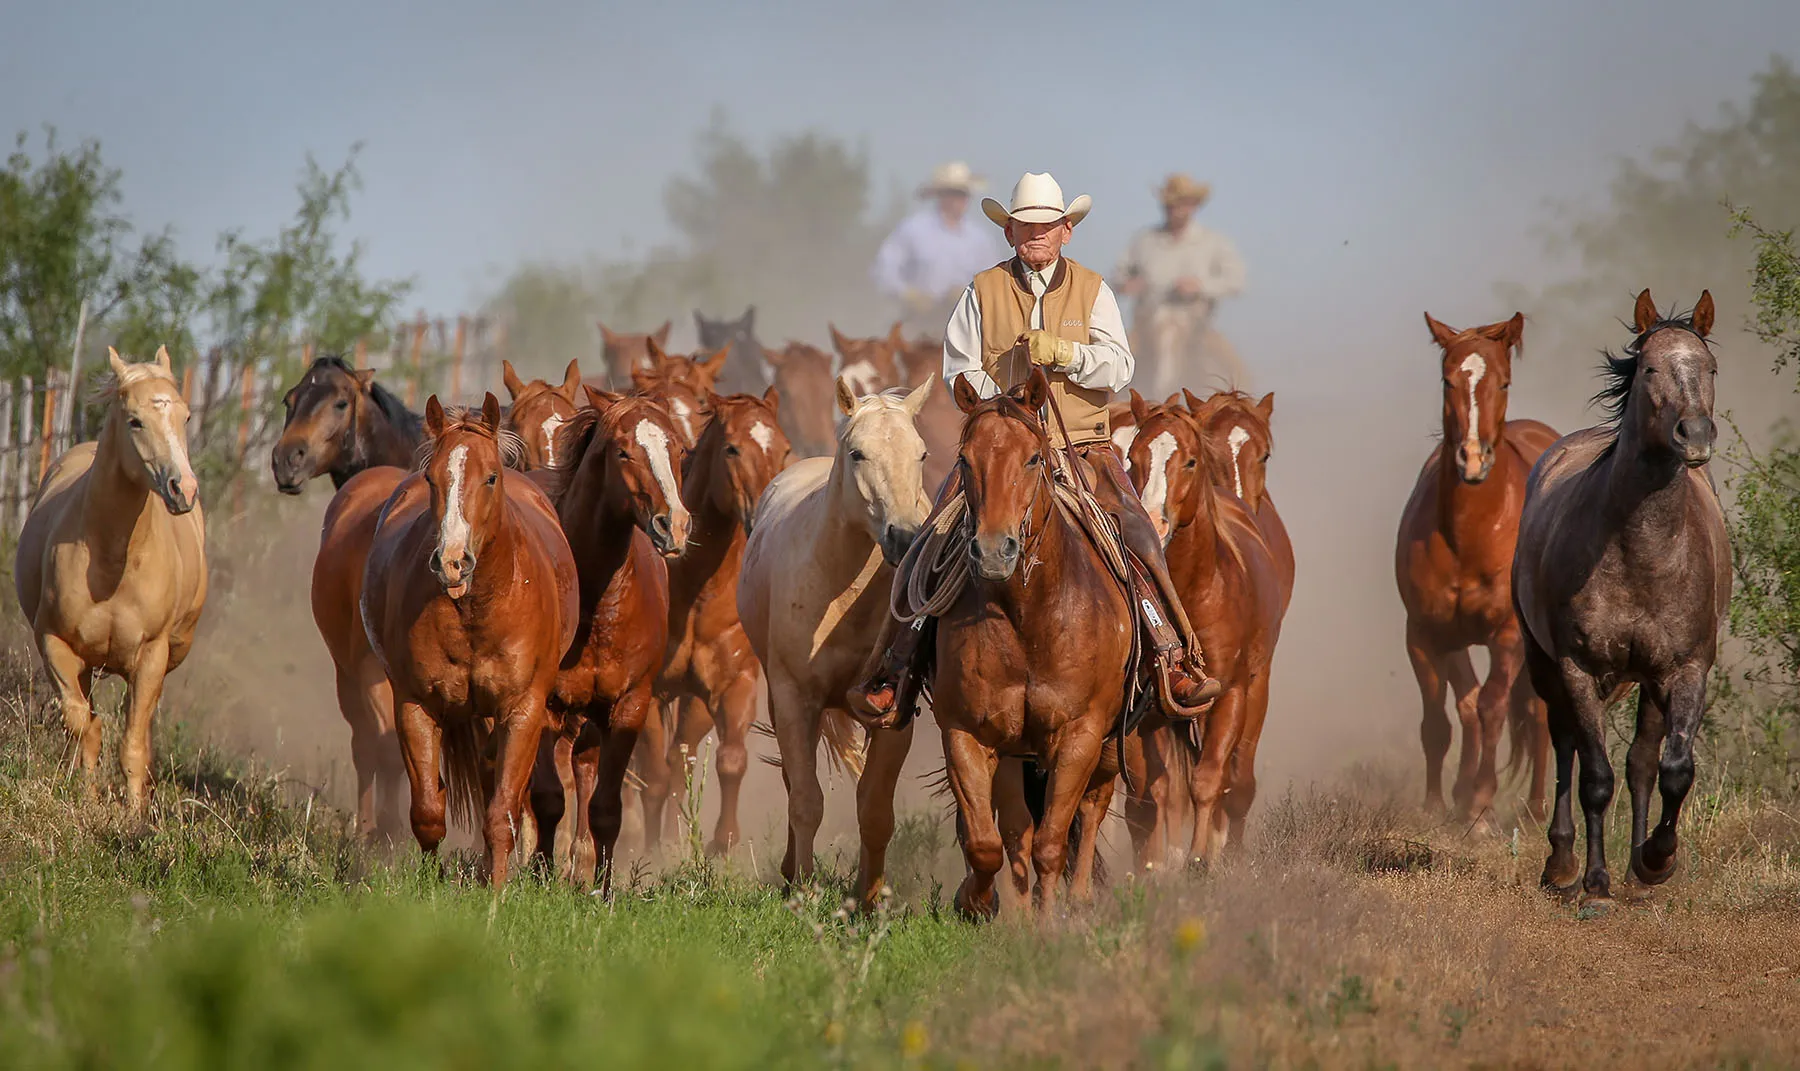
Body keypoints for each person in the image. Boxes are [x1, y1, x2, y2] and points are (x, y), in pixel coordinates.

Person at [848, 171, 1222, 727]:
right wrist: (1003, 409)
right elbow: (959, 368)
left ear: (1067, 230)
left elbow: (1120, 367)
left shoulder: (1094, 289)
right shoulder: (982, 290)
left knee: (1139, 535)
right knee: (933, 539)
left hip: (1083, 448)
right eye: (1025, 226)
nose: (1036, 234)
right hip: (1000, 450)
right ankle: (894, 670)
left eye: (1047, 226)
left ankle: (1172, 658)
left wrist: (1068, 354)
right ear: (1009, 232)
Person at [1115, 173, 1247, 398]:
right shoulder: (1144, 240)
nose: (1175, 209)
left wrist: (1201, 286)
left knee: (1237, 373)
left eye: (1182, 203)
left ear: (1194, 205)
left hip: (1196, 325)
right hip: (1147, 325)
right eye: (1170, 204)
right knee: (1113, 364)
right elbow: (1118, 275)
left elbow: (1237, 281)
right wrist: (1128, 284)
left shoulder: (1212, 242)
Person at [870, 162, 1008, 338]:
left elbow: (994, 281)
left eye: (962, 193)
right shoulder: (913, 230)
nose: (959, 200)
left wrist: (968, 292)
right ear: (941, 195)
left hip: (965, 325)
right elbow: (883, 269)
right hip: (916, 321)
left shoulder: (979, 239)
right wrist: (908, 294)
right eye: (953, 193)